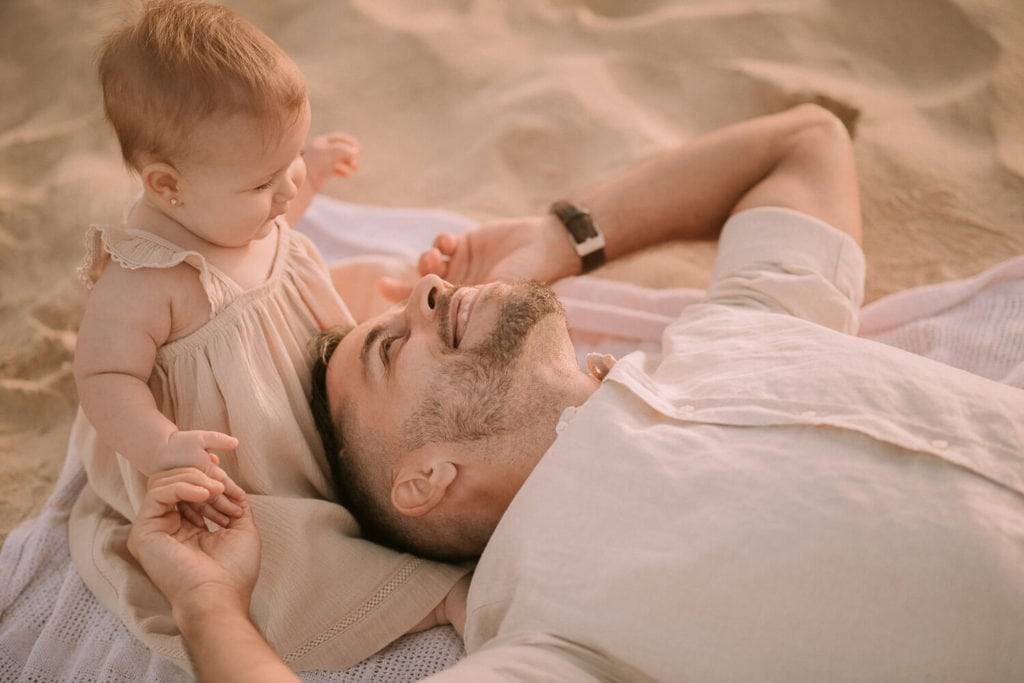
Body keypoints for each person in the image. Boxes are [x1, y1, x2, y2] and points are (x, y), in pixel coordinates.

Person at [128, 103, 1024, 680]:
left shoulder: (732, 336)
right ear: (425, 478)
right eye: (392, 349)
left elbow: (802, 143)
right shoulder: (554, 631)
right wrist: (210, 601)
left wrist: (557, 243)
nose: (428, 293)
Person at [69, 0, 468, 671]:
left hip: (293, 379)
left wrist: (302, 166)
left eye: (291, 160)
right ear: (168, 186)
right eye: (264, 180)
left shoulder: (237, 203)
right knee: (288, 537)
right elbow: (105, 378)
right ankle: (422, 598)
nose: (288, 191)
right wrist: (163, 446)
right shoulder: (145, 279)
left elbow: (280, 220)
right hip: (241, 451)